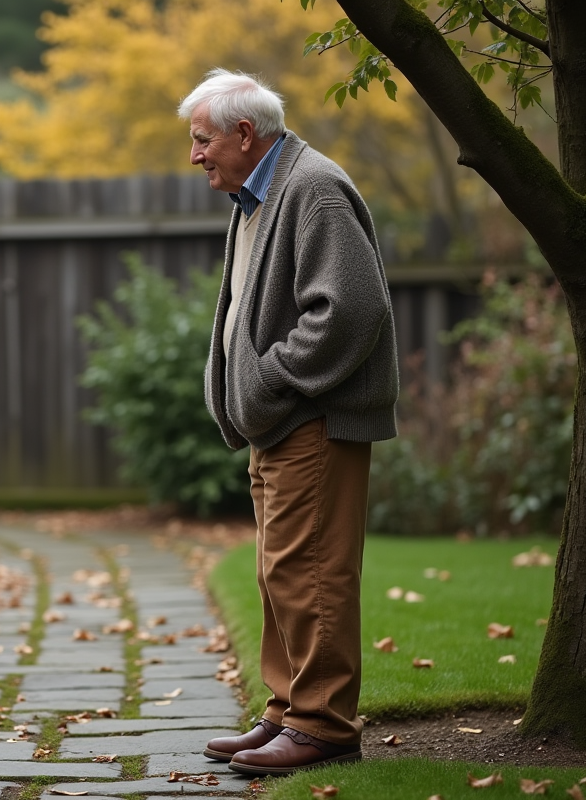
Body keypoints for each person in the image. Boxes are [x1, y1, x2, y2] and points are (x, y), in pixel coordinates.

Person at [178, 68, 399, 776]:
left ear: (246, 133)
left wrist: (269, 379)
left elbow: (352, 309)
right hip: (279, 422)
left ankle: (323, 724)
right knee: (281, 573)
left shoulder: (313, 188)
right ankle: (287, 710)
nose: (195, 155)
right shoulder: (257, 196)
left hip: (313, 419)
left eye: (203, 139)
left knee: (313, 574)